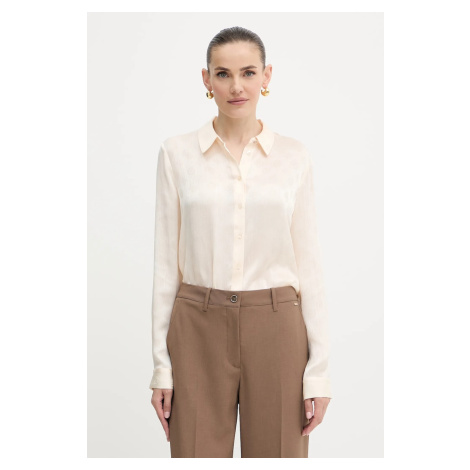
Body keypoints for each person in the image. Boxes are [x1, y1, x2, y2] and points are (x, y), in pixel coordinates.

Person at [149, 26, 332, 458]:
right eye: (223, 74)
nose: (236, 86)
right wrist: (161, 367)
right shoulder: (177, 154)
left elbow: (309, 265)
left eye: (248, 72)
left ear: (266, 76)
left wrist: (318, 373)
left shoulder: (293, 156)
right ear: (206, 79)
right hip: (197, 327)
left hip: (277, 326)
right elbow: (165, 267)